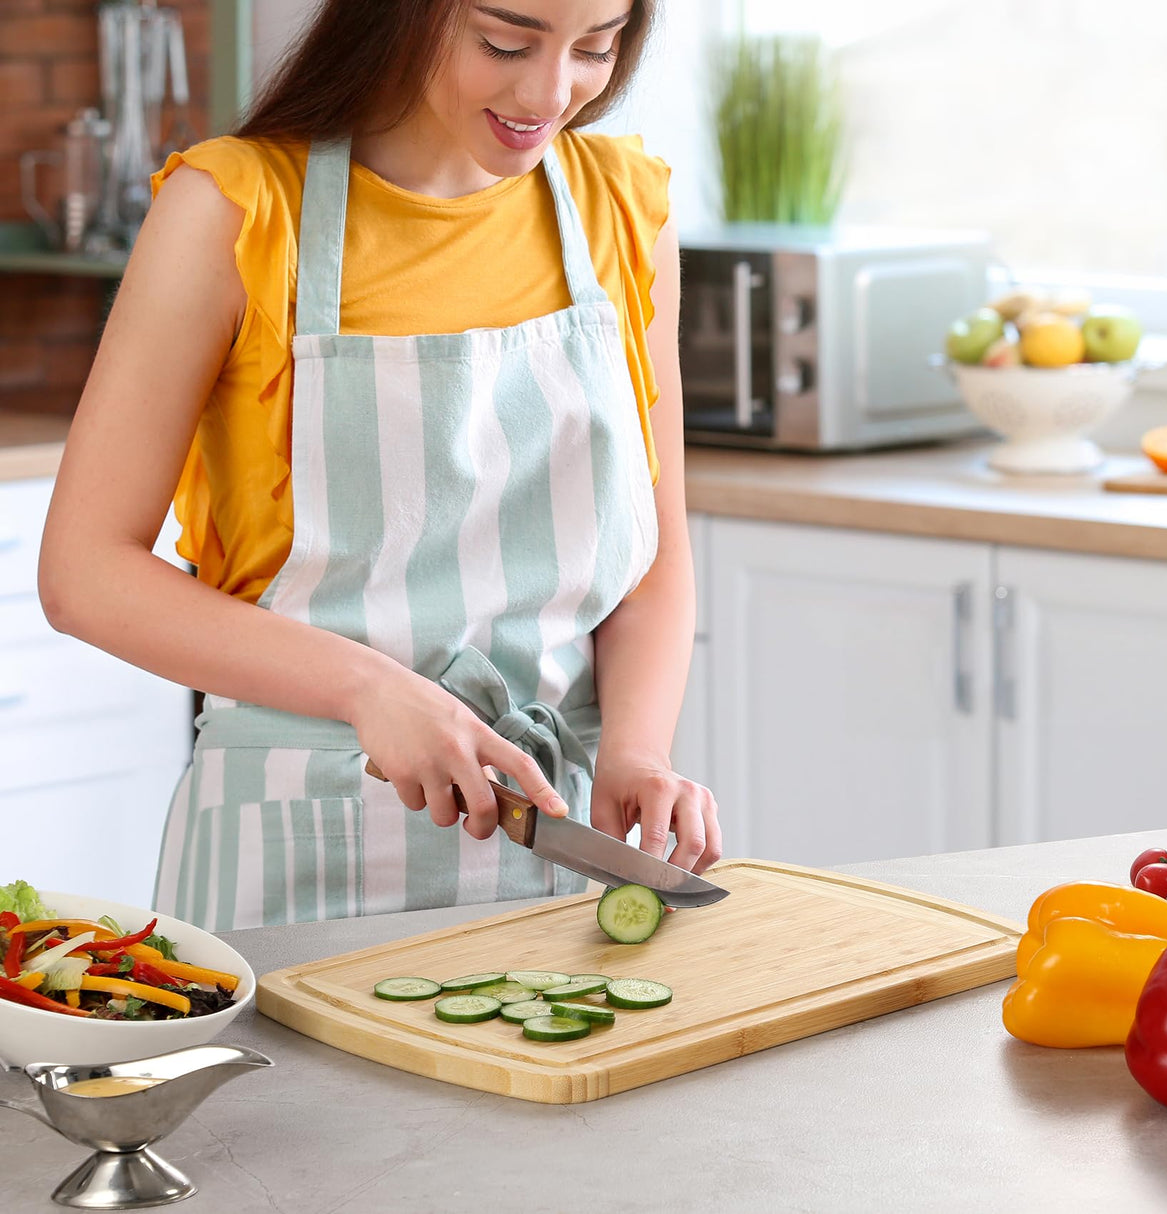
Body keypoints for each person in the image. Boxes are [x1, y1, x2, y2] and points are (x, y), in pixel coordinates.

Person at [38, 0, 721, 932]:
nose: (550, 92)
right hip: (295, 854)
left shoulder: (624, 211)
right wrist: (368, 689)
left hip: (561, 852)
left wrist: (638, 752)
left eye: (596, 49)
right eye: (506, 43)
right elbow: (83, 574)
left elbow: (652, 555)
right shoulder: (236, 208)